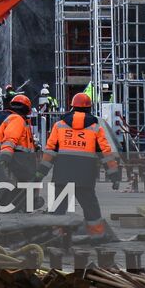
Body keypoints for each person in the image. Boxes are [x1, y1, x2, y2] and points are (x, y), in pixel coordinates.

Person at [40, 92, 119, 241]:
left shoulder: (59, 126)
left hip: (62, 175)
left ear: (72, 107)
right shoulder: (95, 128)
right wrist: (114, 175)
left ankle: (56, 237)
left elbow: (50, 151)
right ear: (89, 109)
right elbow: (105, 153)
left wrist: (41, 172)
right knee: (91, 209)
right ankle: (97, 236)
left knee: (58, 208)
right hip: (85, 176)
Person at [0, 94, 38, 182]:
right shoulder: (17, 119)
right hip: (13, 160)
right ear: (27, 110)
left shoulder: (6, 118)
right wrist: (4, 159)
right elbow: (9, 140)